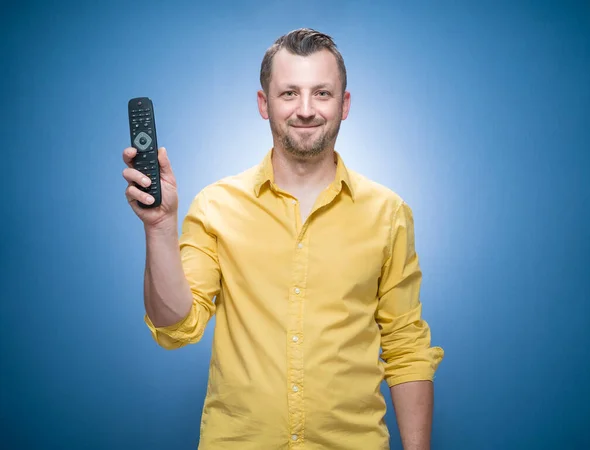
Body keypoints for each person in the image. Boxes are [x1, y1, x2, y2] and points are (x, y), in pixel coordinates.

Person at [122, 28, 444, 450]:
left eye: (322, 94)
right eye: (289, 93)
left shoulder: (388, 213)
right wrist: (159, 227)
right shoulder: (215, 206)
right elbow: (174, 327)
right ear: (264, 104)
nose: (306, 109)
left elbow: (406, 348)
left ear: (344, 104)